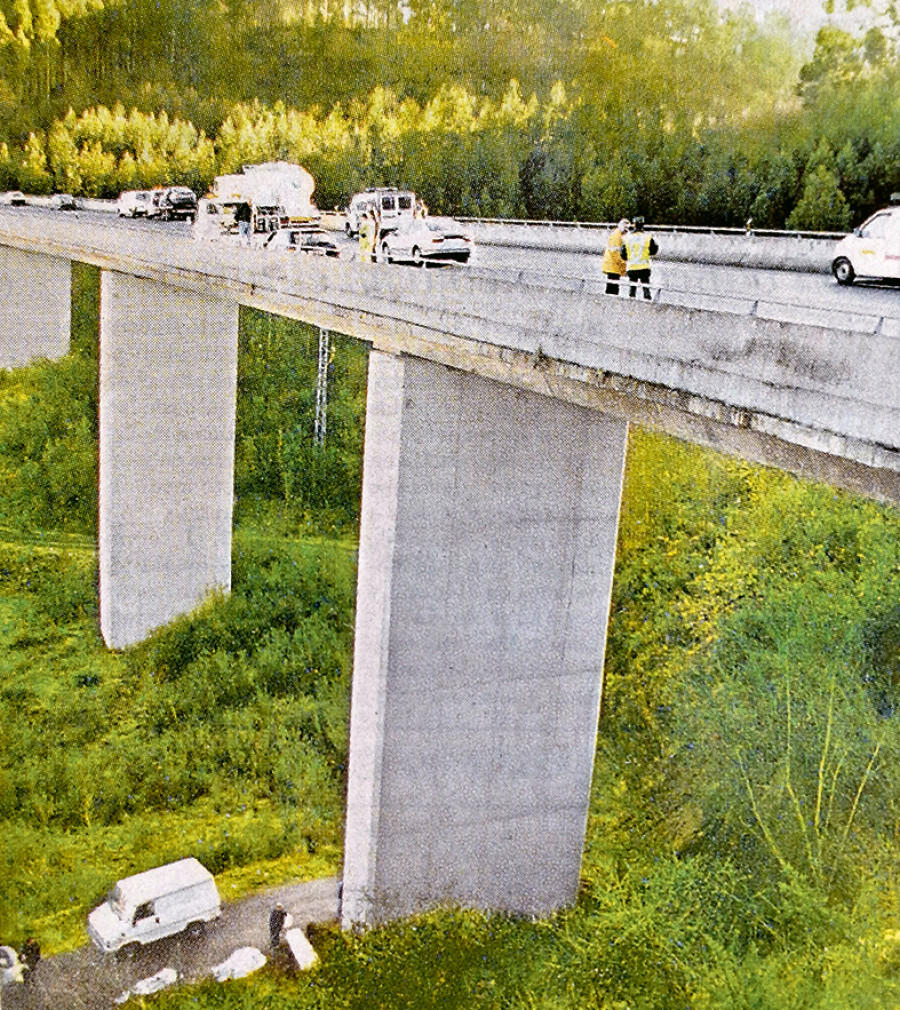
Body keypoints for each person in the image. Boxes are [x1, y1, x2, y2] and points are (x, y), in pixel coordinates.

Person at [624, 216, 658, 300]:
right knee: (646, 289)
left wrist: (629, 258)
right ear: (643, 225)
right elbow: (654, 250)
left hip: (632, 267)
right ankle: (648, 305)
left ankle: (631, 305)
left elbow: (623, 253)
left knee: (632, 289)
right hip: (644, 267)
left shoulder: (627, 237)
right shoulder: (647, 237)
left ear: (634, 225)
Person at [601, 218, 629, 295]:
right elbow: (616, 253)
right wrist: (622, 266)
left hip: (613, 266)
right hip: (613, 265)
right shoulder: (617, 236)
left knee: (612, 286)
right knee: (613, 288)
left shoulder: (618, 235)